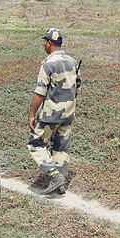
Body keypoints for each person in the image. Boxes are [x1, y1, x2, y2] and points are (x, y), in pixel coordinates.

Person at [27, 28, 80, 195]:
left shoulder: (48, 64)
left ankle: (55, 176)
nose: (44, 44)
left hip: (51, 115)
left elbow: (40, 92)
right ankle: (60, 185)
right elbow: (77, 86)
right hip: (68, 113)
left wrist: (32, 114)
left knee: (35, 143)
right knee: (61, 148)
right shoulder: (72, 62)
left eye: (44, 42)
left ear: (49, 43)